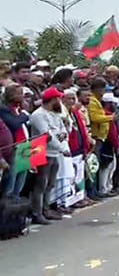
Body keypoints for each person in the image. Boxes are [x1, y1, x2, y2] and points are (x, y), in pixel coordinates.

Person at [29, 87, 71, 224]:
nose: (60, 101)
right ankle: (37, 212)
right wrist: (62, 148)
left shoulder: (54, 114)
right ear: (52, 99)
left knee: (51, 183)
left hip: (54, 153)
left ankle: (46, 209)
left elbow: (62, 129)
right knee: (41, 184)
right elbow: (47, 135)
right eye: (58, 98)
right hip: (41, 151)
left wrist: (63, 135)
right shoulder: (38, 115)